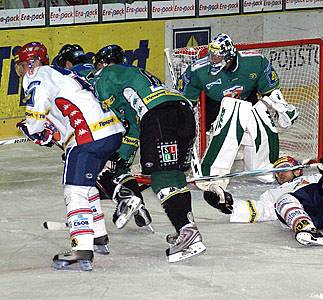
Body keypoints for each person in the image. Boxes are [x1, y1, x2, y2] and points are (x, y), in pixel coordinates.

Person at [14, 42, 126, 271]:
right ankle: (98, 236)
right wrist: (49, 134)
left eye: (23, 65)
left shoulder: (40, 74)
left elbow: (36, 116)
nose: (22, 71)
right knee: (86, 186)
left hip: (88, 136)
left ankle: (81, 248)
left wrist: (32, 129)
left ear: (32, 62)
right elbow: (62, 118)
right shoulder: (62, 75)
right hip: (109, 131)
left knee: (74, 190)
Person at [93, 53, 206, 263]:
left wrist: (105, 153)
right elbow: (135, 129)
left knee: (161, 176)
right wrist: (122, 157)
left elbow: (107, 116)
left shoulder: (105, 74)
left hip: (160, 116)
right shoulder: (135, 77)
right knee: (173, 174)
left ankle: (188, 234)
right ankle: (186, 227)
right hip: (183, 111)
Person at [179, 33, 299, 208]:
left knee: (260, 111)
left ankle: (264, 167)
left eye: (218, 55)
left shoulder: (255, 62)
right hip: (215, 114)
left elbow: (270, 91)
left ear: (229, 55)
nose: (213, 59)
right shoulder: (198, 70)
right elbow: (186, 102)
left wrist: (282, 107)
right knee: (234, 106)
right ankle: (213, 174)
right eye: (211, 55)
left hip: (247, 106)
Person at [54, 43, 153, 230]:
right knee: (119, 167)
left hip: (99, 129)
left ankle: (119, 200)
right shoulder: (101, 70)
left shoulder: (68, 77)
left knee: (92, 170)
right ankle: (137, 206)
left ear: (67, 63)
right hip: (126, 126)